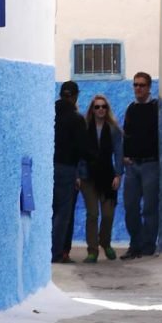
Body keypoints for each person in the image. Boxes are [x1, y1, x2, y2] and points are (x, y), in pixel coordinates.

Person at [79, 94, 124, 263]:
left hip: (107, 176)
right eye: (97, 107)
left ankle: (105, 242)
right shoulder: (84, 128)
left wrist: (118, 174)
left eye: (103, 106)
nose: (100, 110)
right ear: (92, 109)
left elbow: (119, 153)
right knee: (92, 214)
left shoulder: (113, 130)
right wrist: (78, 175)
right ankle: (92, 250)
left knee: (108, 214)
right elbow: (79, 153)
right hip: (88, 176)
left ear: (107, 109)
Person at [121, 72, 159, 259]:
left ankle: (148, 245)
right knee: (130, 207)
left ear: (149, 87)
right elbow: (126, 134)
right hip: (132, 165)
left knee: (150, 208)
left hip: (150, 164)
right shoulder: (131, 109)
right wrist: (125, 156)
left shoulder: (155, 108)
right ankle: (135, 244)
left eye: (142, 85)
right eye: (135, 85)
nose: (138, 88)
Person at [53, 81, 90, 264]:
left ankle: (47, 251)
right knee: (63, 213)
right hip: (67, 169)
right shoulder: (76, 119)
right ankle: (57, 252)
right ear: (75, 96)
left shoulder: (49, 114)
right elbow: (83, 148)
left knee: (50, 211)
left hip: (48, 168)